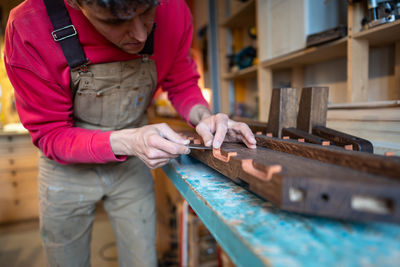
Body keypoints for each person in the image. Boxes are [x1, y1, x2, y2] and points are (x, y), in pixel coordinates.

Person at [4, 0, 257, 266]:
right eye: (115, 21)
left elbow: (181, 81)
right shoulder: (28, 27)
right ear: (76, 4)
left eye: (147, 13)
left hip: (131, 166)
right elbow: (51, 134)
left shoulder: (174, 9)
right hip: (66, 171)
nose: (140, 34)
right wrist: (130, 141)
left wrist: (204, 118)